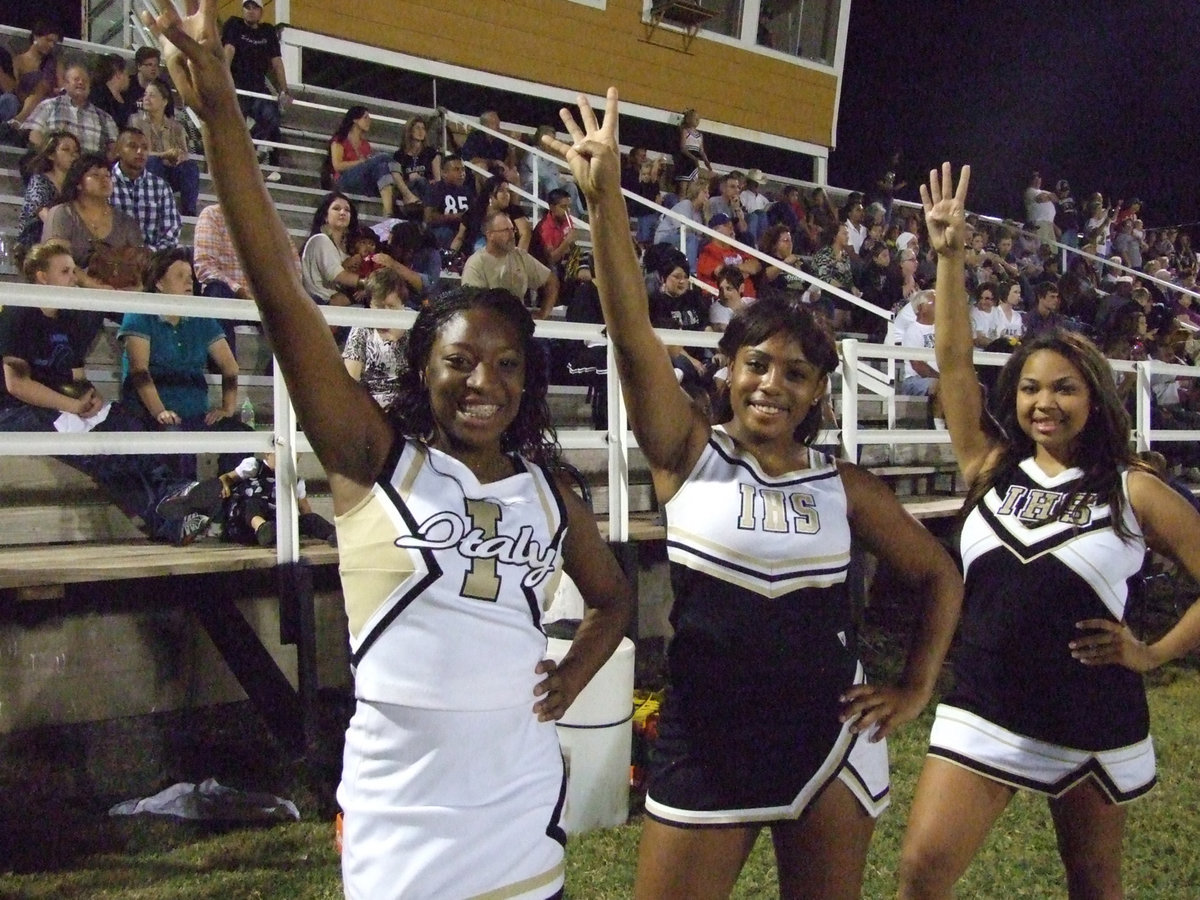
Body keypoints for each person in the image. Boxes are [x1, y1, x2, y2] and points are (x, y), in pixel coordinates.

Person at [141, 10, 634, 899]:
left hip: (519, 802)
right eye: (461, 360)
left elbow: (612, 596)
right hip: (403, 816)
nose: (484, 381)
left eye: (508, 365)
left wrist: (572, 673)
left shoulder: (549, 489)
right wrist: (221, 115)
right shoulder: (375, 457)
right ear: (422, 367)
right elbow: (286, 303)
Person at [545, 86, 961, 900]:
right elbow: (632, 334)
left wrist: (914, 688)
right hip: (706, 742)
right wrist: (603, 203)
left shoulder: (845, 485)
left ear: (816, 394)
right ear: (728, 372)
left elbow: (940, 575)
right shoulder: (686, 451)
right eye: (757, 364)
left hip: (828, 745)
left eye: (796, 373)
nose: (773, 384)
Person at [896, 162, 1200, 900]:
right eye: (1031, 387)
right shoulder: (989, 463)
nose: (1044, 403)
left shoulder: (1135, 488)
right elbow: (955, 362)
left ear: (1094, 400)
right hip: (985, 701)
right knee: (920, 873)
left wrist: (1151, 652)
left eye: (1064, 388)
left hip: (1088, 708)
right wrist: (949, 257)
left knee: (1092, 882)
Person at [1, 240, 225, 545]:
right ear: (42, 277)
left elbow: (77, 374)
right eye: (65, 272)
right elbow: (17, 385)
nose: (73, 278)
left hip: (63, 406)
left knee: (126, 422)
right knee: (101, 451)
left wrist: (89, 398)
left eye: (73, 271)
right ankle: (172, 500)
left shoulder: (67, 319)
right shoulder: (19, 312)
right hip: (20, 410)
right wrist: (72, 405)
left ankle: (173, 507)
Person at [118, 247, 249, 476]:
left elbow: (230, 366)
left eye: (190, 277)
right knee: (176, 437)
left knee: (242, 435)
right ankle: (183, 505)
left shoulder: (200, 315)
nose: (189, 282)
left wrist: (227, 409)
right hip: (151, 412)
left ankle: (229, 496)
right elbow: (139, 370)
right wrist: (160, 411)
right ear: (159, 283)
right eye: (180, 276)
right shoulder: (140, 313)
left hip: (195, 414)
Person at [42, 152, 145, 290]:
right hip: (70, 291)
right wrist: (90, 284)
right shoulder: (62, 213)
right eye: (95, 175)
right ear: (78, 183)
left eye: (107, 175)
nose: (104, 180)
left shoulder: (126, 222)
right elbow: (57, 260)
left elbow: (140, 266)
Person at [221, 0, 290, 168]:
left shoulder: (267, 31)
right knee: (234, 122)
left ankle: (247, 147)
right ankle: (237, 156)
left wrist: (284, 90)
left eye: (255, 8)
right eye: (247, 7)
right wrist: (223, 80)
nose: (250, 11)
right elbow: (229, 50)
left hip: (258, 87)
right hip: (237, 85)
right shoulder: (234, 24)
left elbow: (277, 62)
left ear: (261, 11)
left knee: (272, 117)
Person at [324, 105, 419, 217]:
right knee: (383, 157)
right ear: (355, 120)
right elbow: (337, 166)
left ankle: (387, 213)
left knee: (382, 168)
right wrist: (361, 162)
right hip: (344, 181)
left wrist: (365, 163)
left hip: (362, 183)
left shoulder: (365, 145)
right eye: (365, 117)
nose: (369, 121)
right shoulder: (340, 139)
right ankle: (406, 193)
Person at [130, 80, 200, 216]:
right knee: (153, 161)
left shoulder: (176, 127)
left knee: (190, 167)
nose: (146, 98)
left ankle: (189, 211)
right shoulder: (136, 121)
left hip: (170, 171)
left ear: (164, 101)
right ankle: (158, 207)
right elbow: (137, 152)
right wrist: (163, 154)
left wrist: (179, 156)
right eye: (145, 95)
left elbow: (184, 153)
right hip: (146, 171)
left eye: (152, 95)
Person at [342, 268, 409, 410]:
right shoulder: (362, 328)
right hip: (371, 409)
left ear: (402, 304)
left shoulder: (413, 326)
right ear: (370, 304)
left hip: (408, 406)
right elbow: (350, 380)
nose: (385, 313)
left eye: (391, 306)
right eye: (379, 306)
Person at [22, 62, 119, 155]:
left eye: (85, 81)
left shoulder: (105, 118)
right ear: (66, 84)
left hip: (89, 170)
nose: (81, 82)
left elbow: (114, 150)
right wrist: (50, 156)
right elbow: (33, 134)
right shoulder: (49, 106)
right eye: (76, 79)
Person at [109, 127, 182, 250]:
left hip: (152, 261)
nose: (140, 151)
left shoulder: (160, 187)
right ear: (118, 151)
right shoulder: (105, 182)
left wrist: (149, 255)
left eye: (144, 147)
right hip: (110, 258)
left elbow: (171, 230)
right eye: (132, 146)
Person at [15, 129, 79, 258]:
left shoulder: (76, 186)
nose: (73, 155)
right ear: (51, 155)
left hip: (67, 240)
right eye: (66, 149)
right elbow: (46, 216)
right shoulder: (39, 180)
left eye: (76, 151)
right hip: (37, 242)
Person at [301, 191, 363, 307]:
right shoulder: (320, 240)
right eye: (336, 208)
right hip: (321, 305)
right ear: (325, 216)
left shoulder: (348, 250)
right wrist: (370, 283)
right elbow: (337, 275)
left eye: (347, 210)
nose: (343, 212)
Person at [391, 114, 440, 203]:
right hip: (408, 189)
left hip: (426, 188)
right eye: (417, 128)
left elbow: (438, 180)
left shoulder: (431, 153)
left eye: (423, 128)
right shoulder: (399, 155)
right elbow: (398, 180)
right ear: (410, 131)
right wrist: (410, 178)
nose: (421, 131)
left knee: (421, 182)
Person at [674, 107, 710, 189]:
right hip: (685, 161)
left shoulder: (700, 135)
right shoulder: (685, 131)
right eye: (695, 118)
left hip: (694, 163)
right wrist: (693, 158)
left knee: (692, 188)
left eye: (698, 119)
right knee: (683, 187)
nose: (697, 120)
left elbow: (701, 150)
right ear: (688, 120)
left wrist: (706, 161)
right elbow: (683, 148)